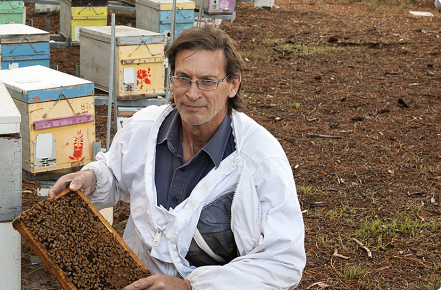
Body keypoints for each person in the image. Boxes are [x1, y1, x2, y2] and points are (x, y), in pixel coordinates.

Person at [48, 25, 306, 290]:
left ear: (233, 85)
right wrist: (91, 178)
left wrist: (191, 287)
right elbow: (115, 172)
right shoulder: (144, 127)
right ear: (171, 79)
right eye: (183, 78)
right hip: (132, 280)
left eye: (207, 81)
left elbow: (283, 263)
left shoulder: (261, 158)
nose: (192, 93)